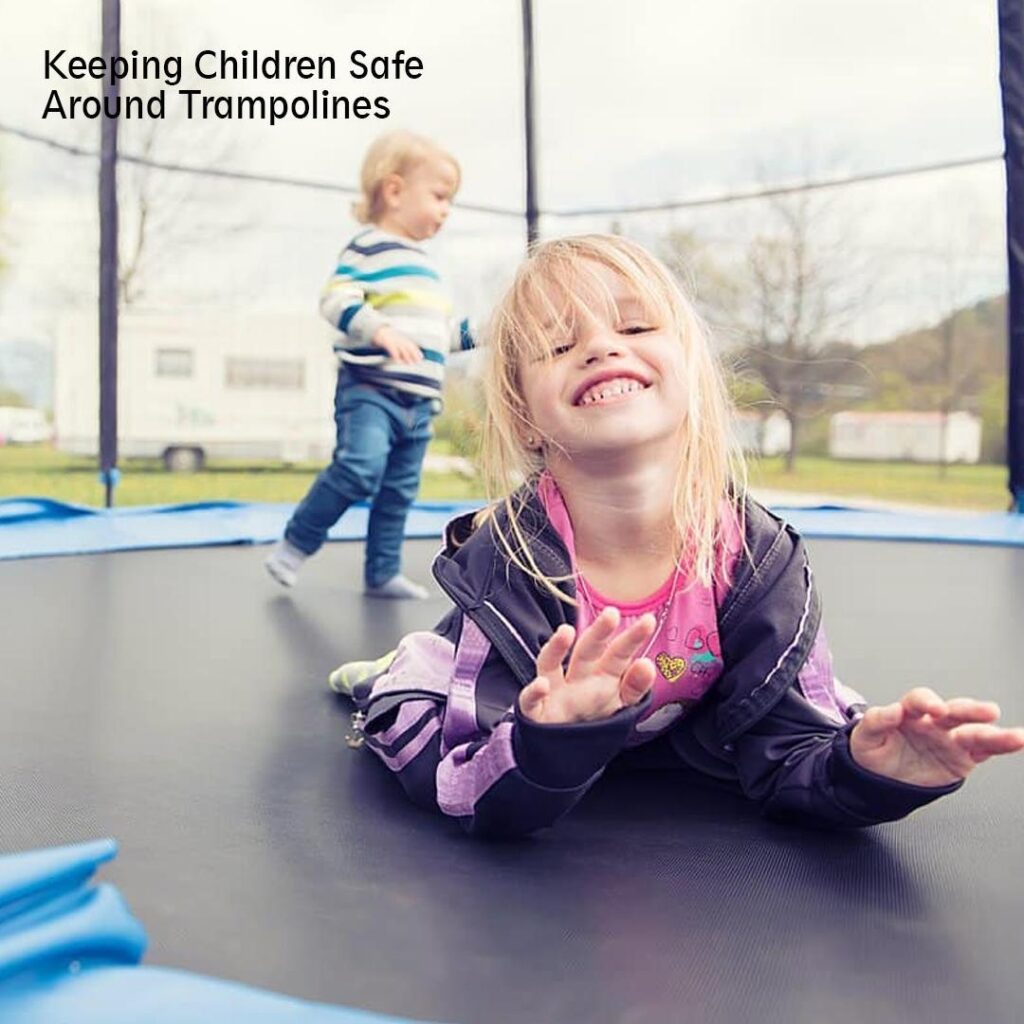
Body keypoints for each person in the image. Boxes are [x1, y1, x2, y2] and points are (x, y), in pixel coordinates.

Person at [329, 234, 1024, 837]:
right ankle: (383, 670)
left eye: (634, 329)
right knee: (406, 695)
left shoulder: (758, 560)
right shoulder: (507, 563)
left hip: (684, 731)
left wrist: (871, 773)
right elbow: (462, 782)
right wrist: (548, 740)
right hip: (518, 712)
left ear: (691, 375)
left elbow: (792, 750)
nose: (601, 347)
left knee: (839, 712)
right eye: (560, 344)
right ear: (526, 417)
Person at [265, 131, 475, 598]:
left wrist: (482, 332)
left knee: (399, 492)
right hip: (371, 389)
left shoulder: (428, 270)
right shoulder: (368, 248)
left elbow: (437, 336)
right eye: (440, 197)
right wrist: (379, 329)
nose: (446, 211)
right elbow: (335, 298)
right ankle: (294, 546)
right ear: (395, 190)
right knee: (360, 468)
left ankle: (382, 573)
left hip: (419, 406)